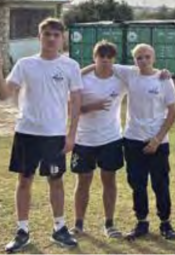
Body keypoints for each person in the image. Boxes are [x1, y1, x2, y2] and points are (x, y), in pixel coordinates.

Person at [0, 18, 83, 252]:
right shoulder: (25, 64)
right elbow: (3, 94)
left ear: (62, 38)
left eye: (56, 35)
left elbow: (76, 101)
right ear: (39, 37)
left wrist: (71, 135)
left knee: (56, 180)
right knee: (24, 180)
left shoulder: (70, 66)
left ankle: (59, 228)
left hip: (55, 135)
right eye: (47, 34)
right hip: (27, 132)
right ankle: (22, 231)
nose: (51, 38)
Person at [112, 44, 175, 240]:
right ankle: (141, 222)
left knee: (160, 183)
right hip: (133, 140)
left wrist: (157, 140)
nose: (143, 60)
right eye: (139, 57)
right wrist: (80, 72)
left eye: (147, 57)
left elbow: (173, 112)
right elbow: (101, 63)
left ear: (154, 58)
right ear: (134, 60)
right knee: (137, 183)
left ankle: (165, 223)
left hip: (158, 142)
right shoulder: (130, 74)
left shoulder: (164, 79)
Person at [71, 41, 126, 239]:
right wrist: (91, 107)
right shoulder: (82, 79)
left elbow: (144, 73)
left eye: (109, 57)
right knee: (83, 181)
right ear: (94, 58)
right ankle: (78, 224)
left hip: (111, 139)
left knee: (109, 180)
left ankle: (109, 224)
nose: (105, 60)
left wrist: (162, 73)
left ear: (114, 59)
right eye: (101, 56)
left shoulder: (121, 80)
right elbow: (70, 108)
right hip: (84, 139)